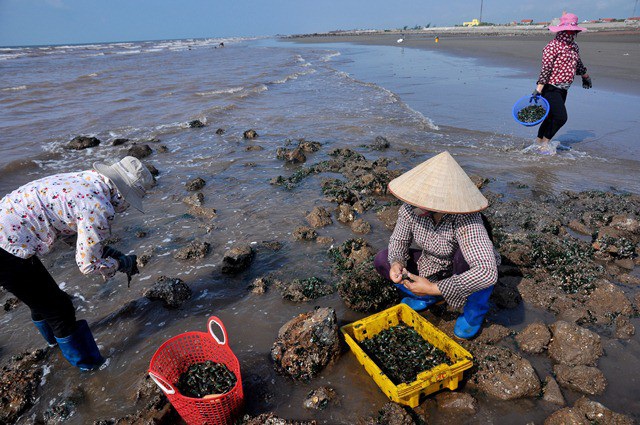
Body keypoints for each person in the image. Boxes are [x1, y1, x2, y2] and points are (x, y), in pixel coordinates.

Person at [0, 156, 154, 370]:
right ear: (121, 192)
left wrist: (105, 251)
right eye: (130, 200)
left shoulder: (87, 180)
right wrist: (120, 264)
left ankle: (54, 345)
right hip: (7, 245)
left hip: (9, 231)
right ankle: (90, 368)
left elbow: (65, 223)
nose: (126, 207)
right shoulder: (97, 207)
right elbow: (87, 266)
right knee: (59, 309)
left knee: (40, 298)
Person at [374, 151, 500, 339]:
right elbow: (398, 241)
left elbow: (486, 272)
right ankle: (426, 297)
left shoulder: (466, 218)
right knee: (382, 259)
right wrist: (396, 263)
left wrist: (435, 287)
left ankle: (474, 313)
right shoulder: (410, 208)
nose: (413, 203)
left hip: (461, 268)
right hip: (432, 264)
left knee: (464, 259)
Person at [530, 12, 591, 155]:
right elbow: (546, 69)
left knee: (551, 117)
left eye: (574, 30)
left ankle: (537, 142)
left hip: (564, 89)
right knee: (561, 117)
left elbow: (578, 63)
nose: (572, 32)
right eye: (570, 29)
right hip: (550, 88)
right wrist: (539, 89)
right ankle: (545, 144)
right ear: (563, 29)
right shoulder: (552, 46)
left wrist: (585, 76)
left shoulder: (574, 46)